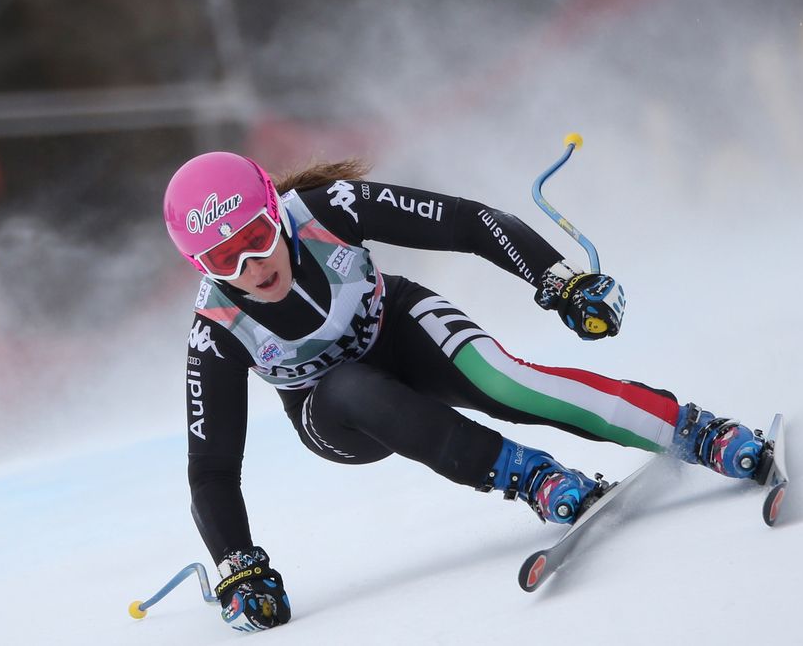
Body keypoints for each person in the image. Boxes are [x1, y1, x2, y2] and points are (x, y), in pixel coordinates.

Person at [163, 151, 768, 632]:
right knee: (349, 385)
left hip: (399, 327)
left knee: (506, 381)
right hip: (337, 416)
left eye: (258, 237)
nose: (252, 268)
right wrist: (239, 567)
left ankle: (691, 430)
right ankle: (529, 476)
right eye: (224, 259)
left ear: (278, 211)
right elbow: (211, 469)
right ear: (201, 268)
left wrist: (558, 280)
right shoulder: (216, 330)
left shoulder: (329, 209)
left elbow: (466, 221)